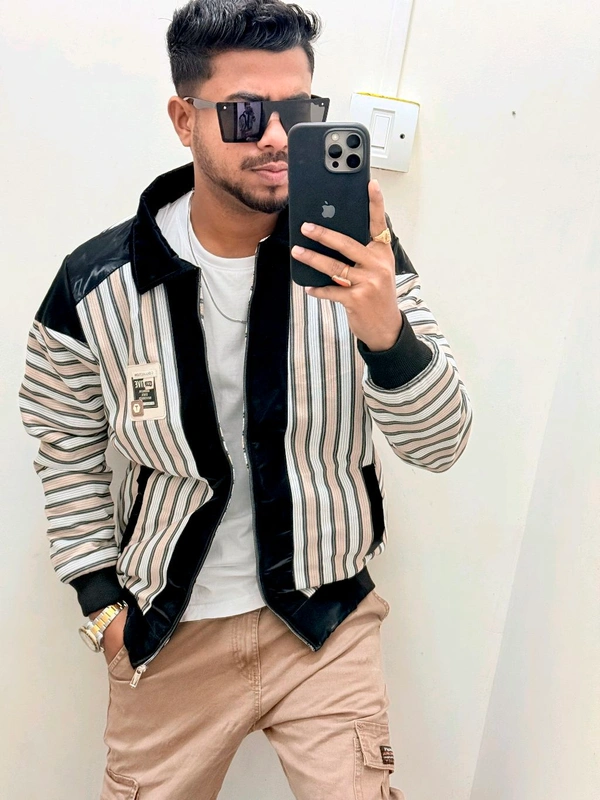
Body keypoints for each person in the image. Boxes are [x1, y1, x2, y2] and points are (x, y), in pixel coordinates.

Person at [19, 1, 472, 797]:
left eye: (297, 112)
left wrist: (384, 330)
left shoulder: (363, 260)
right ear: (182, 119)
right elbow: (65, 446)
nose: (276, 138)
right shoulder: (96, 286)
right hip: (167, 634)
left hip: (325, 622)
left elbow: (441, 444)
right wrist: (100, 605)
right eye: (244, 113)